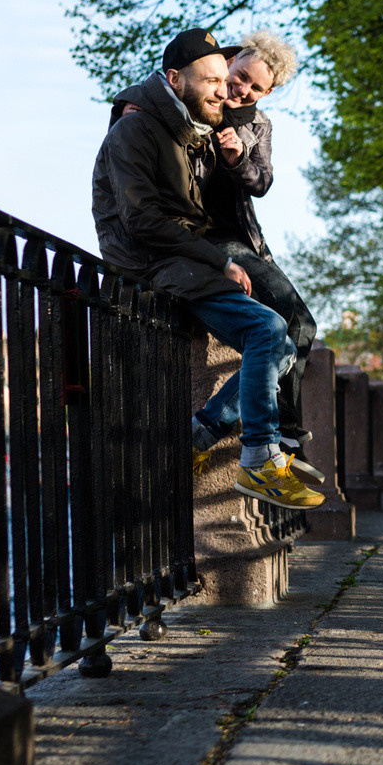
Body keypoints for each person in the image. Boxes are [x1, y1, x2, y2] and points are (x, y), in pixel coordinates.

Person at [90, 27, 323, 510]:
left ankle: (207, 433)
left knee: (285, 338)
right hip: (158, 262)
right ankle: (261, 456)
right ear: (176, 80)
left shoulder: (207, 125)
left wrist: (237, 160)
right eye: (223, 80)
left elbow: (257, 183)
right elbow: (144, 219)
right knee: (272, 329)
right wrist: (219, 260)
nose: (229, 91)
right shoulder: (142, 124)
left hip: (195, 252)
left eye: (245, 87)